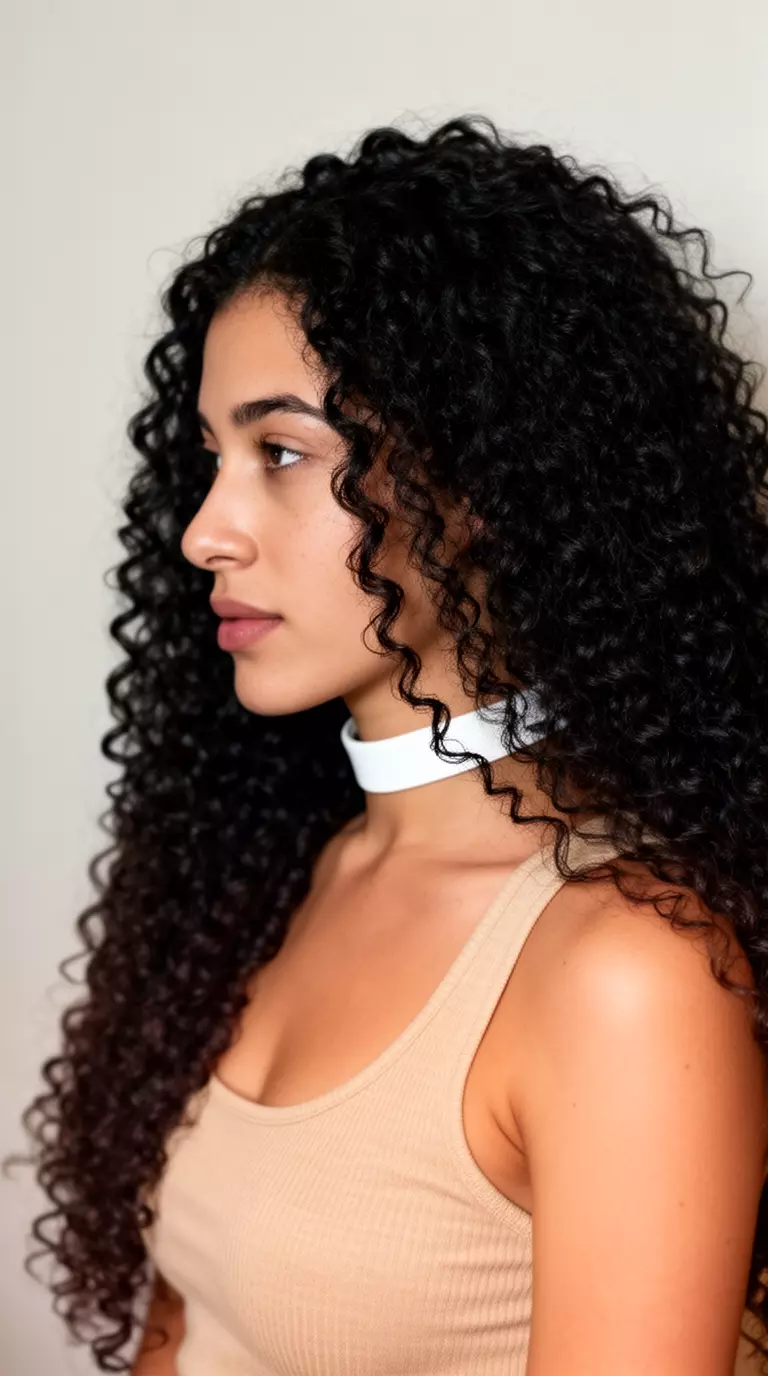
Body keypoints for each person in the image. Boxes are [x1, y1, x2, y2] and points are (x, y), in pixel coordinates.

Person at [6, 112, 768, 1376]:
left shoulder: (626, 972)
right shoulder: (270, 874)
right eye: (211, 458)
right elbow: (180, 1335)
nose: (204, 531)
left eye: (281, 452)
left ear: (483, 482)